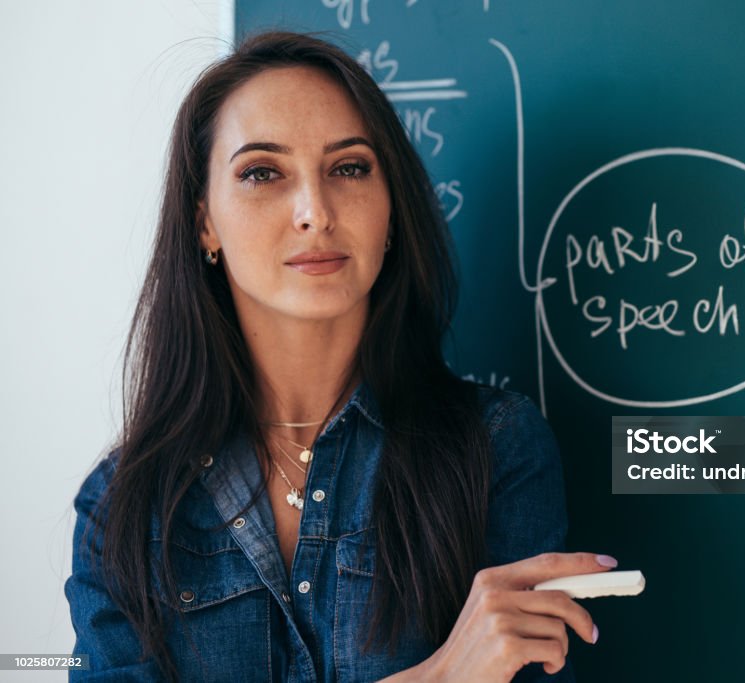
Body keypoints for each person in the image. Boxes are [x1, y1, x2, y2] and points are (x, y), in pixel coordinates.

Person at [64, 30, 617, 682]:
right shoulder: (124, 508)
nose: (315, 211)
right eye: (262, 173)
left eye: (349, 167)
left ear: (392, 208)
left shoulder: (496, 450)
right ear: (204, 221)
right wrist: (439, 675)